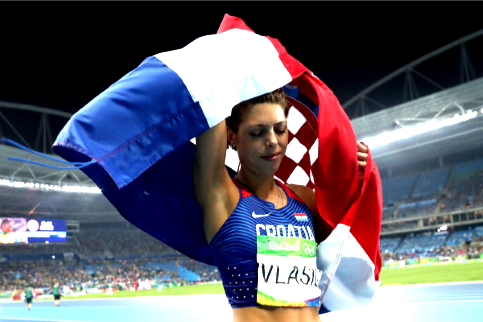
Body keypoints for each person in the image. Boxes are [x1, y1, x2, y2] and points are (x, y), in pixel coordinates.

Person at [193, 88, 368, 322]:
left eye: (280, 130)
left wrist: (357, 176)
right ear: (231, 136)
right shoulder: (222, 196)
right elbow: (209, 100)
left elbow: (346, 237)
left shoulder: (304, 198)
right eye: (257, 133)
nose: (273, 141)